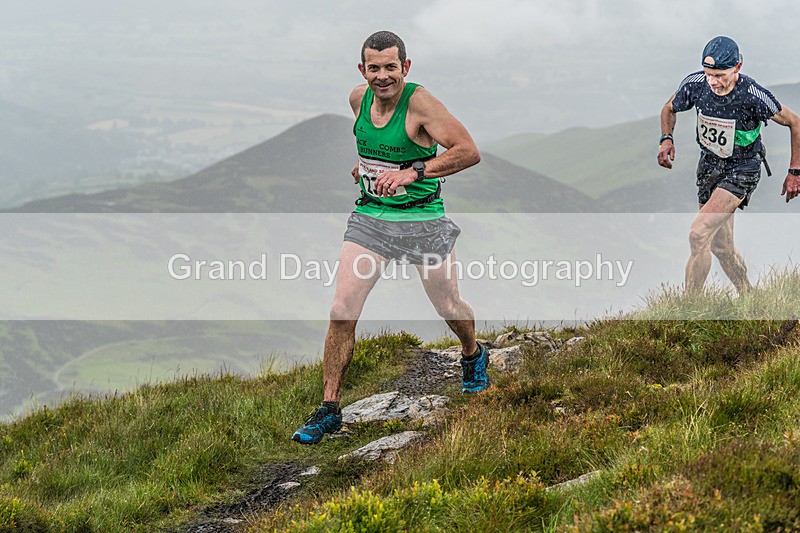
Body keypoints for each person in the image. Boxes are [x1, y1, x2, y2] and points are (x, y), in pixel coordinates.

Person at [292, 31, 487, 444]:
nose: (382, 77)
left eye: (390, 68)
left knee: (447, 304)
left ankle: (472, 353)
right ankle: (329, 409)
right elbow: (373, 148)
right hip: (371, 218)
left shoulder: (421, 105)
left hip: (422, 219)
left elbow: (468, 150)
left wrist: (412, 172)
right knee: (342, 308)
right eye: (374, 68)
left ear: (406, 68)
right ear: (362, 70)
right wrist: (366, 169)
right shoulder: (356, 100)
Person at [657, 35, 800, 294]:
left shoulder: (753, 95)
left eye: (720, 75)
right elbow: (669, 108)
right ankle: (748, 295)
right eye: (708, 73)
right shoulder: (696, 84)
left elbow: (795, 122)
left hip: (742, 168)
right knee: (720, 247)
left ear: (737, 68)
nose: (713, 81)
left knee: (698, 234)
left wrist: (794, 171)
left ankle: (690, 308)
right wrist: (667, 138)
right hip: (709, 165)